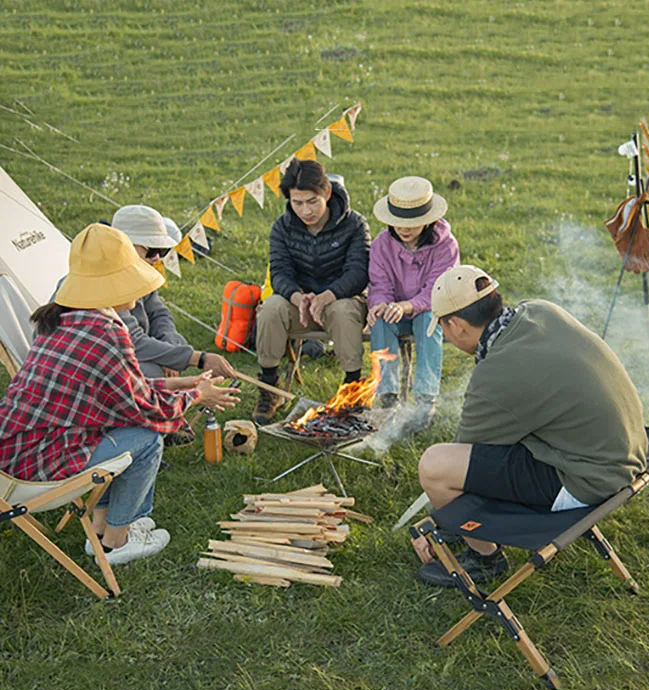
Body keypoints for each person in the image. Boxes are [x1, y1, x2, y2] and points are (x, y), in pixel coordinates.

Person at [0, 224, 240, 565]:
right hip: (34, 468)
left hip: (13, 453)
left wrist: (178, 384)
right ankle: (118, 542)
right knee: (147, 436)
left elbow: (116, 393)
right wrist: (197, 396)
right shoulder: (105, 332)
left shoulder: (64, 315)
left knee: (112, 424)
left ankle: (99, 530)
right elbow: (145, 411)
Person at [412, 265, 648, 587]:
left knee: (435, 466)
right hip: (628, 447)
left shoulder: (495, 375)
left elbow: (463, 459)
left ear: (456, 325)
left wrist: (436, 521)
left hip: (587, 478)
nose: (447, 337)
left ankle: (484, 560)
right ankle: (467, 537)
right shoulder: (539, 310)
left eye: (443, 329)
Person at [253, 159, 371, 424]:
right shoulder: (282, 227)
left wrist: (328, 295)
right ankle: (269, 386)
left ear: (327, 194)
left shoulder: (354, 224)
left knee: (342, 311)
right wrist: (298, 297)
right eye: (297, 203)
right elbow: (280, 272)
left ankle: (352, 387)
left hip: (342, 298)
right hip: (300, 303)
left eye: (312, 201)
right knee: (271, 308)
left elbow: (359, 271)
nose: (305, 210)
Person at [367, 176, 459, 431]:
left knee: (429, 321)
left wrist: (406, 306)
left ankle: (425, 400)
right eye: (397, 223)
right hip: (396, 310)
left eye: (412, 223)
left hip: (430, 308)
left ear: (428, 220)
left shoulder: (446, 245)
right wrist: (379, 305)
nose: (404, 229)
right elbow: (379, 284)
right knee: (381, 321)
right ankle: (388, 397)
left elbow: (437, 290)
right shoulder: (380, 246)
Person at [111, 205, 235, 382]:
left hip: (124, 354)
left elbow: (159, 314)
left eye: (162, 251)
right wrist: (197, 359)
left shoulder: (140, 272)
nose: (157, 259)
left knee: (173, 351)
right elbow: (132, 341)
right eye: (152, 251)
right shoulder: (106, 281)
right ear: (125, 245)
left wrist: (170, 351)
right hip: (103, 362)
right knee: (151, 371)